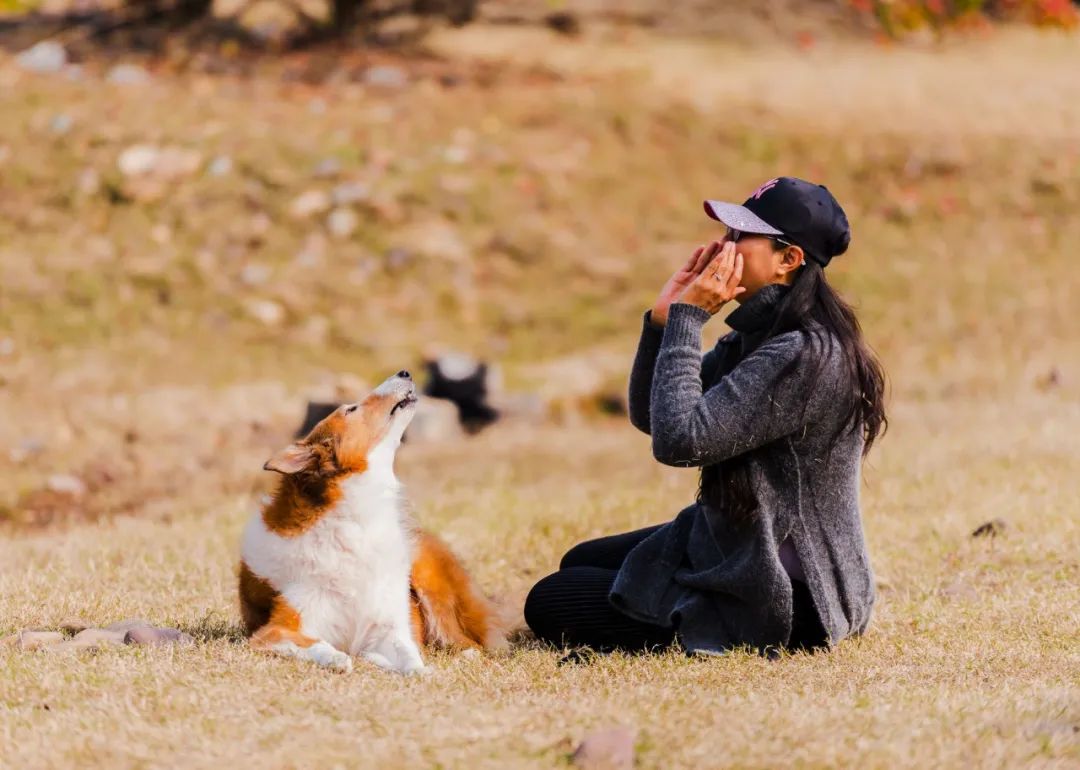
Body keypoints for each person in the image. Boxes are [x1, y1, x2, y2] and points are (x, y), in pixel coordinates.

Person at [524, 177, 887, 655]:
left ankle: (715, 619)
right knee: (579, 561)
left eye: (741, 237)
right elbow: (653, 418)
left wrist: (689, 322)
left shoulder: (804, 355)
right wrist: (662, 321)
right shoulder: (758, 336)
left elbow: (680, 443)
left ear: (788, 260)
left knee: (550, 602)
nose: (724, 247)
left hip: (796, 597)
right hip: (745, 543)